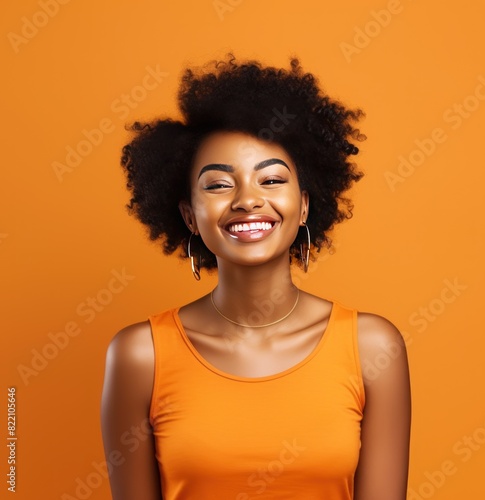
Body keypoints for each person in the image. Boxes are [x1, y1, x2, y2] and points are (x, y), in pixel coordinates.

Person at [100, 55, 411, 500]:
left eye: (270, 180)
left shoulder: (373, 348)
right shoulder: (138, 356)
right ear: (189, 215)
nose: (248, 200)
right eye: (218, 185)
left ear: (304, 205)